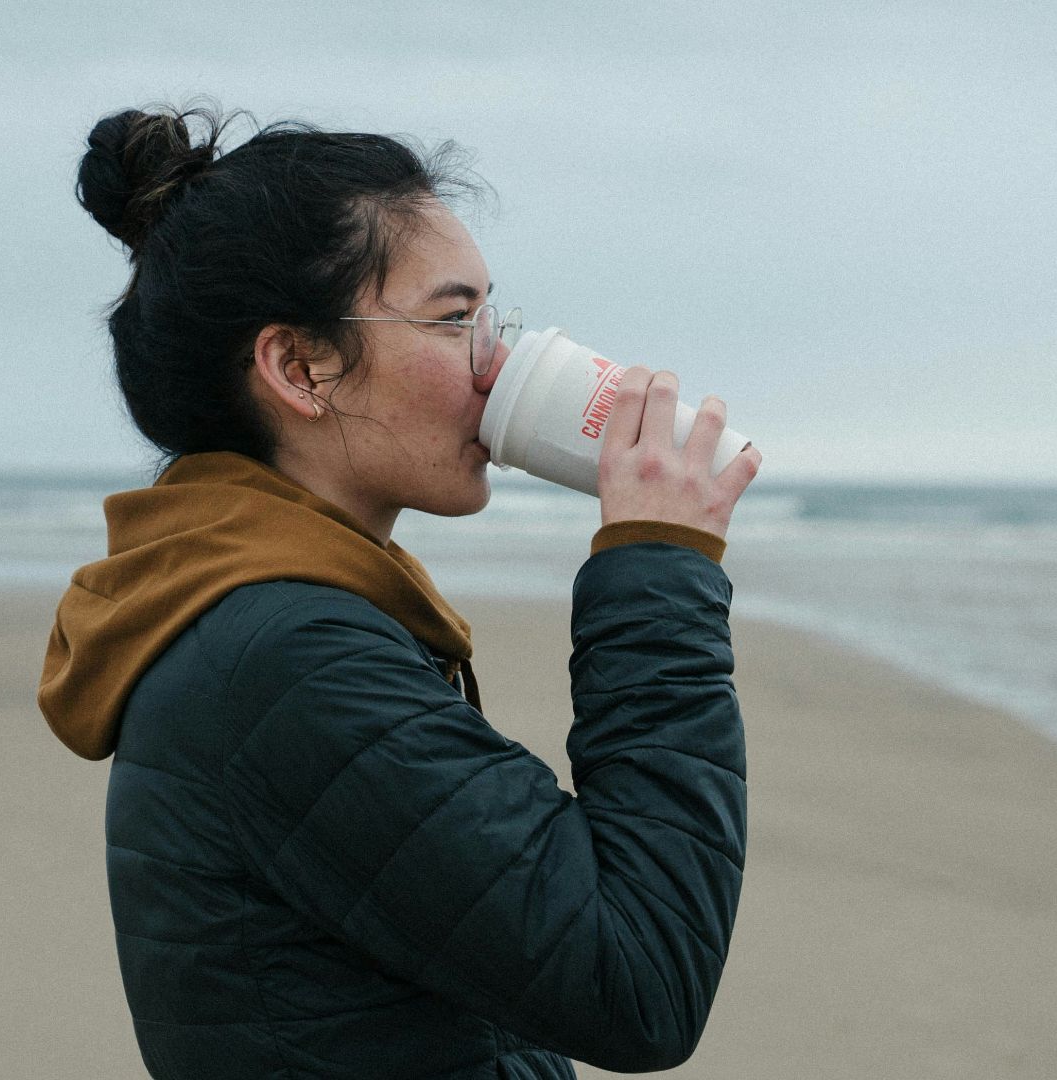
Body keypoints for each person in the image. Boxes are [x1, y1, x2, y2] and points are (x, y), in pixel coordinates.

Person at [39, 101, 762, 1080]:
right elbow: (637, 981)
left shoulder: (257, 615)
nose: (498, 364)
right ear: (301, 367)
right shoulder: (288, 661)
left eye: (492, 318)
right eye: (455, 320)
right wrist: (658, 567)